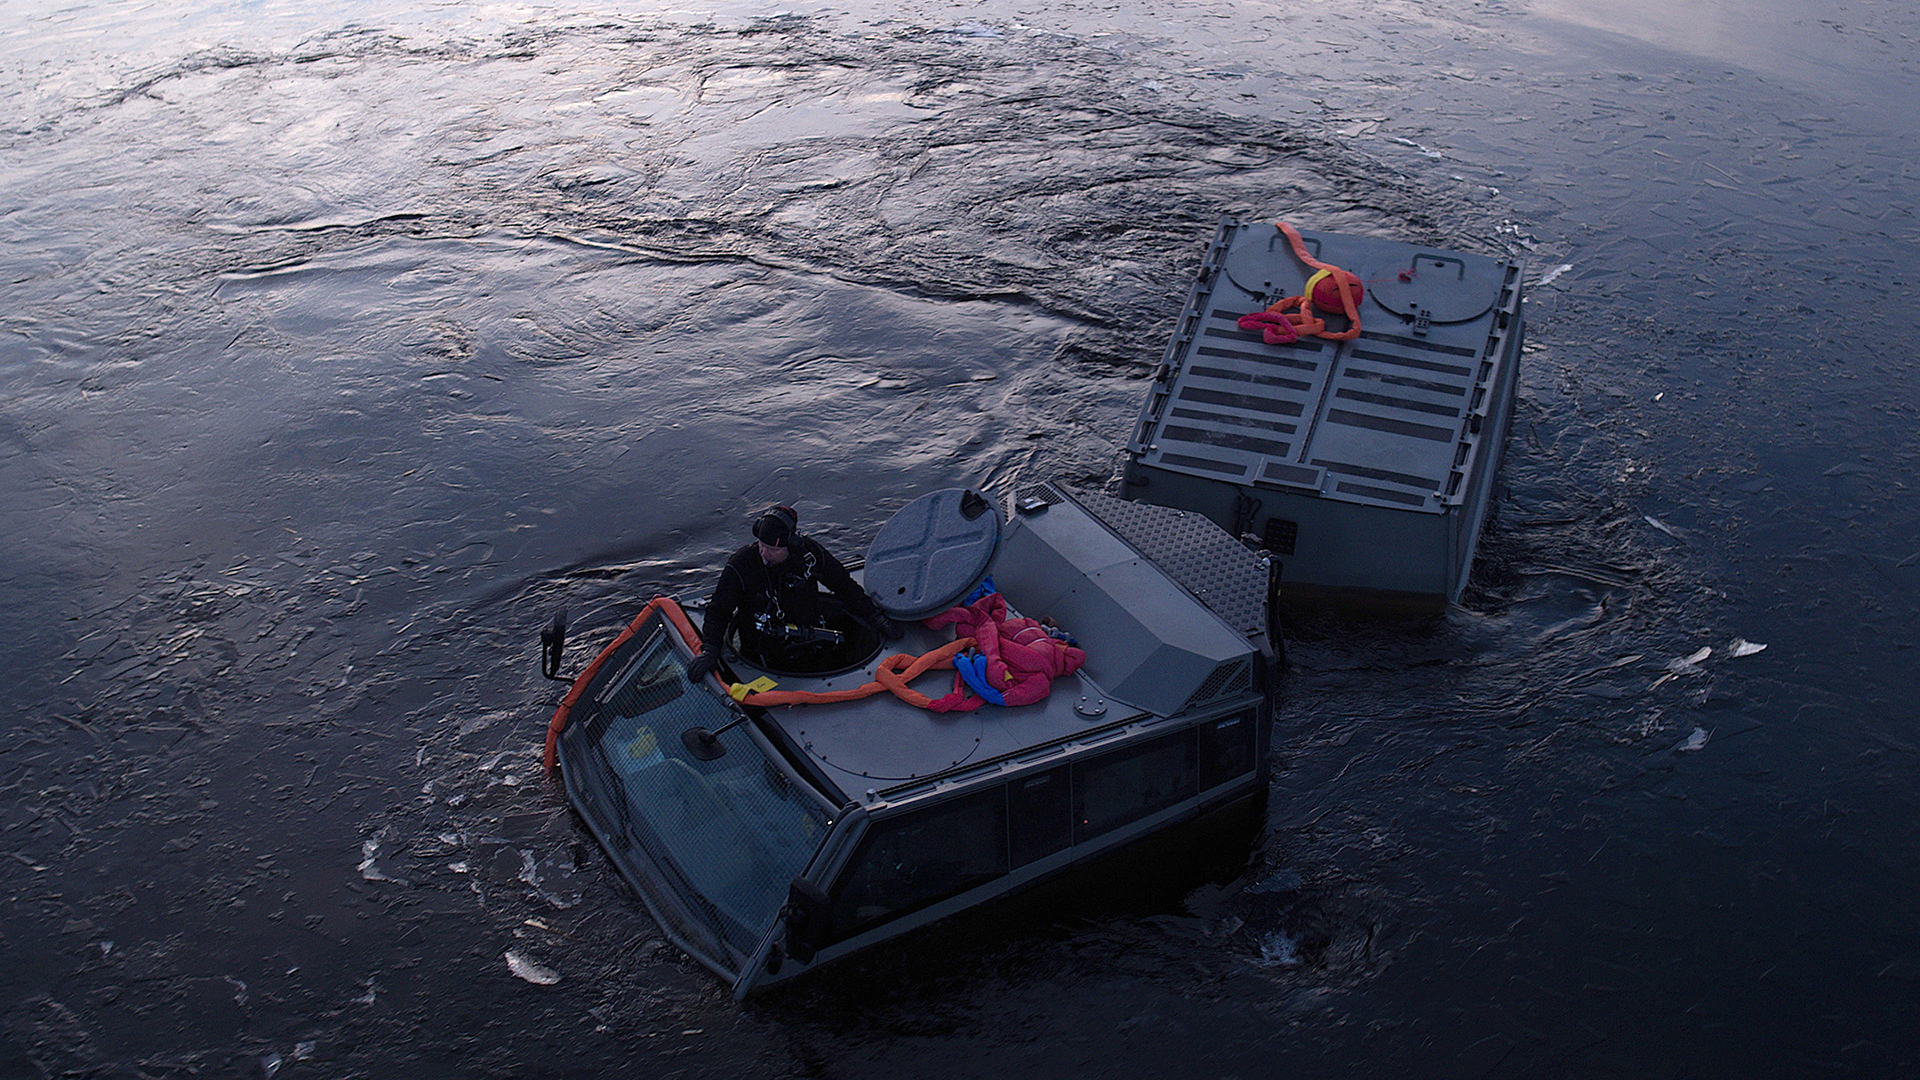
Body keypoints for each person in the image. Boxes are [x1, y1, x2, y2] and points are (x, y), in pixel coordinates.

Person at [687, 504, 901, 681]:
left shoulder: (809, 554)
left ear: (792, 544)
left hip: (810, 644)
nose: (764, 553)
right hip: (762, 655)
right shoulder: (742, 565)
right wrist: (710, 650)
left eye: (773, 549)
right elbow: (719, 610)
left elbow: (843, 585)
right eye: (761, 545)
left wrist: (874, 616)